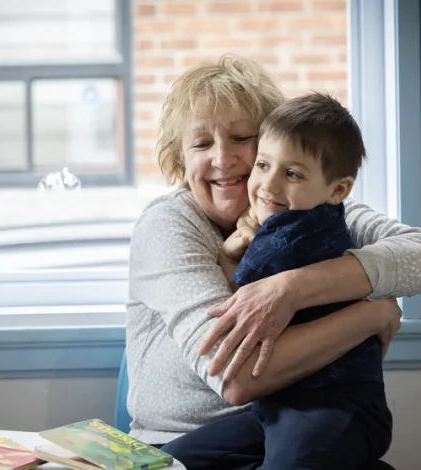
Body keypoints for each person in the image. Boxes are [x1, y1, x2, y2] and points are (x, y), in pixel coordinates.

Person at [125, 54, 421, 457]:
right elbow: (237, 375)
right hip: (179, 442)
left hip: (295, 425)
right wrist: (372, 314)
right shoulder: (170, 224)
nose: (223, 159)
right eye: (201, 143)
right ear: (181, 157)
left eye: (242, 139)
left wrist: (291, 289)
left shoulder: (306, 207)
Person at [161, 93, 392, 470]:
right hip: (277, 407)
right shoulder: (306, 219)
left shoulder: (288, 238)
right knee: (177, 460)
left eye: (293, 174)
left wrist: (228, 252)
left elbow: (233, 300)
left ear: (339, 190)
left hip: (335, 406)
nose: (268, 185)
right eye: (264, 165)